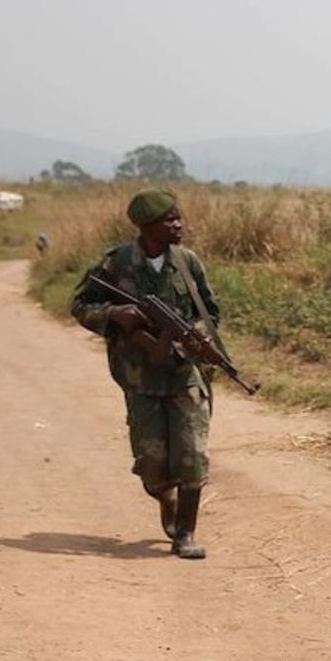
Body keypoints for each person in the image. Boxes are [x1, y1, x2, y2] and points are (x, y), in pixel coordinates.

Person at [69, 190, 221, 558]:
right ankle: (164, 498)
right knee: (152, 465)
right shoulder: (117, 264)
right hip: (139, 379)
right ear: (147, 226)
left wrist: (196, 335)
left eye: (178, 217)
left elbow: (210, 311)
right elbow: (80, 304)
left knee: (192, 454)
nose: (178, 224)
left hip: (185, 373)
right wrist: (115, 315)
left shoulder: (188, 262)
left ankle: (184, 534)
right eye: (169, 220)